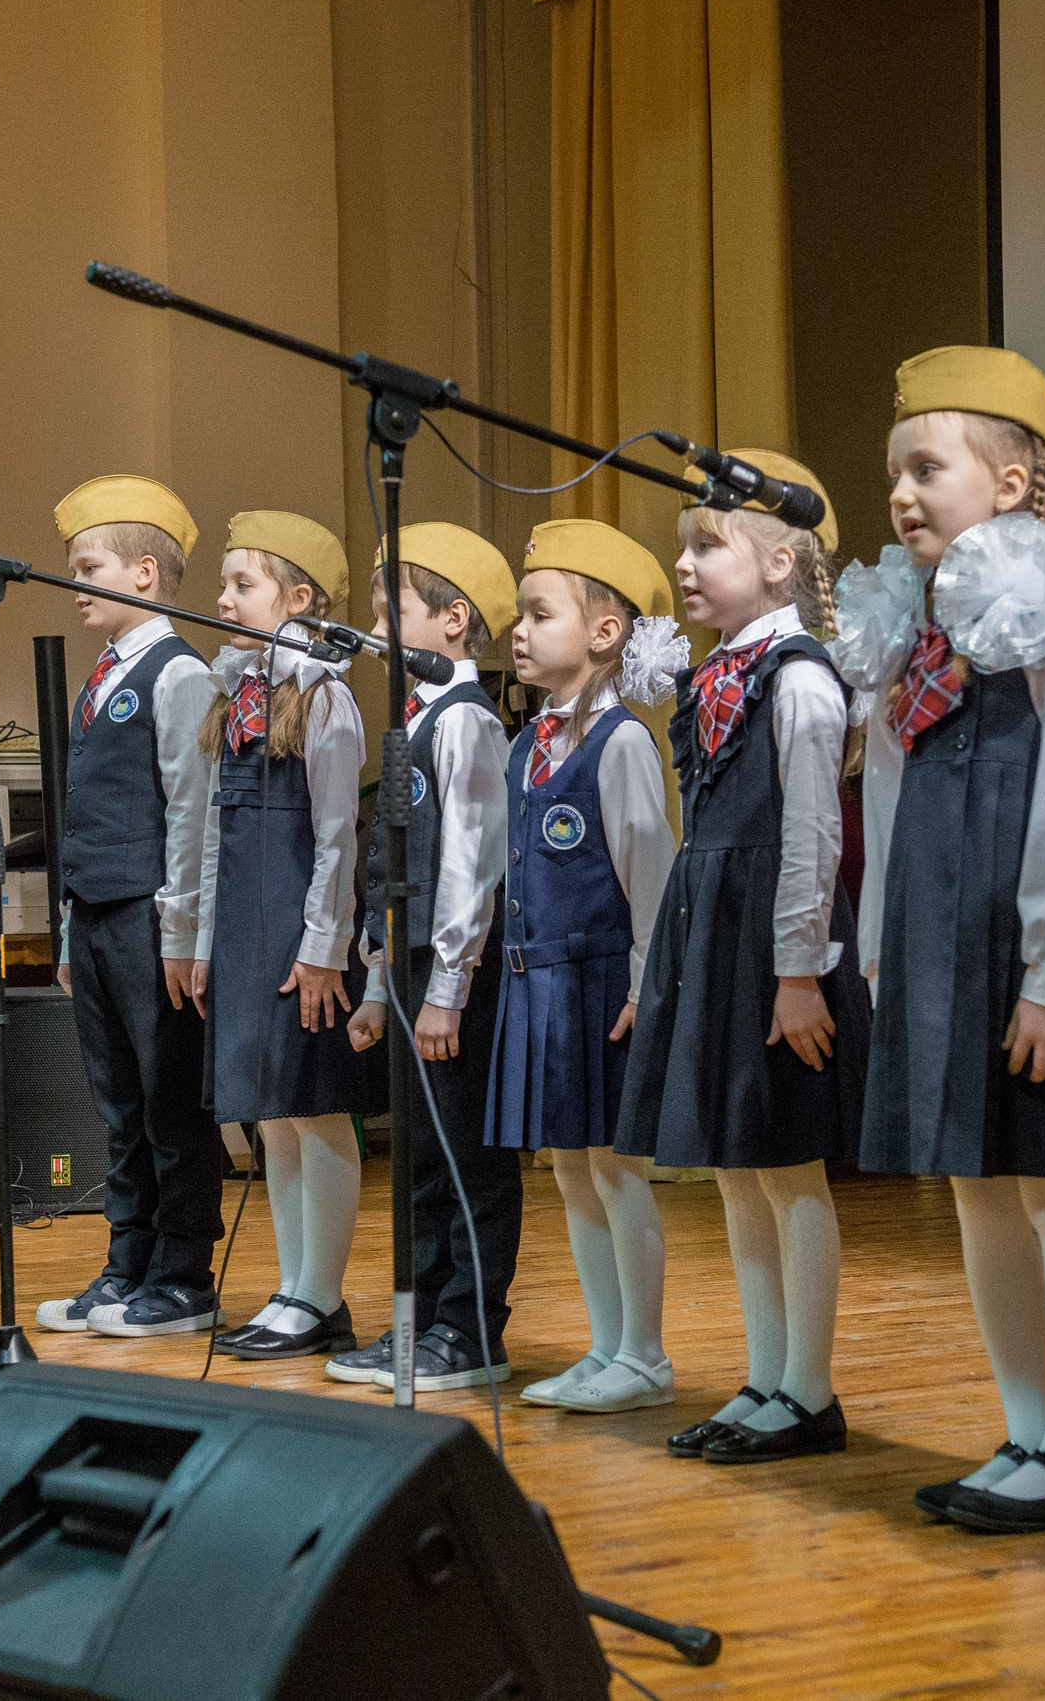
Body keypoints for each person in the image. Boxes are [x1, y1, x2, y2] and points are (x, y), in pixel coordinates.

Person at [841, 350, 1045, 1535]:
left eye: (929, 467)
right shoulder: (915, 643)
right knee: (974, 1184)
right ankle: (1021, 1427)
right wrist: (876, 941)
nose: (903, 492)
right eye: (894, 473)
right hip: (931, 934)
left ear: (1014, 482)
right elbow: (891, 802)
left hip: (1029, 951)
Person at [617, 451, 871, 1465]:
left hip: (772, 934)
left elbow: (814, 833)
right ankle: (763, 1376)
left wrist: (799, 969)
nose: (683, 564)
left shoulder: (800, 675)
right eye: (684, 544)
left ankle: (807, 1388)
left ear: (775, 564)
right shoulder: (718, 670)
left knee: (789, 1164)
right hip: (711, 919)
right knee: (736, 1164)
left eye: (705, 545)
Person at [492, 521, 683, 1414]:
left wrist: (649, 985)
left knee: (614, 1168)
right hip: (543, 984)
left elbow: (652, 878)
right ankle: (604, 1342)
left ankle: (644, 1352)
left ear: (605, 635)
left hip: (605, 982)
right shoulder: (529, 744)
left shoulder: (625, 744)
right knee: (570, 1167)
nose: (518, 631)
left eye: (538, 613)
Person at [329, 523, 522, 1392]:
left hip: (456, 976)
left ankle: (471, 1326)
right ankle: (418, 1316)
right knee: (415, 1156)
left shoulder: (467, 722)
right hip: (406, 971)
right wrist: (378, 983)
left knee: (462, 1154)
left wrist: (446, 985)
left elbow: (470, 867)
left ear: (455, 620)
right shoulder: (413, 717)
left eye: (393, 607)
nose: (377, 626)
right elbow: (393, 871)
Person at [35, 475, 224, 1339]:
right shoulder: (103, 675)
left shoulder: (178, 671)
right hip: (101, 917)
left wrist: (183, 928)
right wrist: (72, 929)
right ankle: (127, 1264)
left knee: (168, 1105)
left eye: (89, 565)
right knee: (117, 1110)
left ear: (145, 573)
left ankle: (182, 1273)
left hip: (154, 920)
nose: (76, 583)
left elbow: (190, 808)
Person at [191, 511, 382, 1361]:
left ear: (299, 598)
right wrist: (203, 940)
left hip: (302, 930)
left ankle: (324, 1295)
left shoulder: (324, 697)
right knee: (272, 1114)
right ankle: (291, 1283)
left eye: (244, 584)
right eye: (225, 581)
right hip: (242, 922)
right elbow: (210, 828)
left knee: (313, 1108)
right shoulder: (235, 694)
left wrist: (322, 946)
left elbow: (338, 836)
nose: (225, 598)